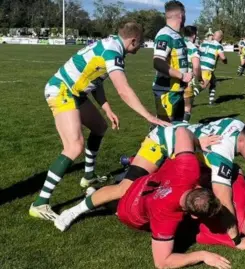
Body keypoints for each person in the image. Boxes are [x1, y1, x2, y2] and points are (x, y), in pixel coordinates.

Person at [29, 22, 169, 221]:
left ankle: (88, 177)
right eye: (140, 44)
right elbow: (123, 90)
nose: (140, 47)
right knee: (74, 146)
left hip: (75, 92)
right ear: (133, 40)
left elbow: (95, 80)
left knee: (99, 127)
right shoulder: (113, 52)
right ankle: (40, 203)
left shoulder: (111, 44)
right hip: (62, 90)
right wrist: (148, 116)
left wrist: (107, 109)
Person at [54, 125, 219, 231]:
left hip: (176, 152)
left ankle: (98, 194)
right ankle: (73, 211)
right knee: (124, 188)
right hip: (160, 143)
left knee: (146, 193)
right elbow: (182, 131)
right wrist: (197, 141)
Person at [117, 128, 230, 269]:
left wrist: (198, 142)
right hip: (128, 212)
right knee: (187, 231)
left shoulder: (188, 169)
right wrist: (203, 255)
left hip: (140, 183)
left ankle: (128, 165)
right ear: (194, 216)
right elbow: (162, 263)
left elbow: (182, 131)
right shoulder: (166, 218)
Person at [188, 118, 245, 249]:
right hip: (167, 144)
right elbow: (224, 200)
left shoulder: (239, 125)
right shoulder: (223, 155)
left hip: (183, 131)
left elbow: (238, 171)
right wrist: (235, 241)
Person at [195, 169, 245, 248]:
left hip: (199, 175)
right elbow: (199, 237)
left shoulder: (244, 193)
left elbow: (238, 170)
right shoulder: (229, 234)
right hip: (191, 207)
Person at [152, 0, 192, 122]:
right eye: (185, 15)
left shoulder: (176, 35)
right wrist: (182, 76)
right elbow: (158, 62)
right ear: (181, 16)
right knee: (165, 128)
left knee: (177, 128)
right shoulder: (165, 35)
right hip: (167, 91)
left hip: (178, 90)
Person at [199, 30, 227, 105]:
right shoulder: (218, 45)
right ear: (220, 38)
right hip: (207, 68)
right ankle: (188, 98)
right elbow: (223, 58)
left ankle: (211, 101)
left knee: (213, 83)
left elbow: (198, 52)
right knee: (203, 86)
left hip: (199, 66)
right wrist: (225, 61)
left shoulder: (204, 43)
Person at [183, 25, 202, 122]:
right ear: (194, 35)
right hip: (186, 81)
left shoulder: (177, 43)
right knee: (187, 107)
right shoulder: (192, 48)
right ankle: (183, 127)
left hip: (172, 80)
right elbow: (196, 66)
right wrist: (199, 79)